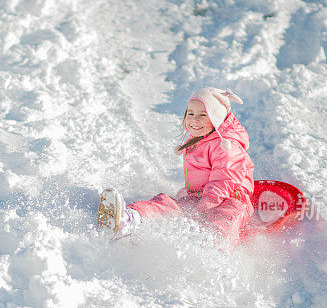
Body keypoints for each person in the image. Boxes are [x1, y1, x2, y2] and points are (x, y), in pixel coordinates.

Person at [97, 87, 255, 244]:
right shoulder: (203, 137)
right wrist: (198, 203)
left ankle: (214, 248)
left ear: (217, 117)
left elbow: (225, 178)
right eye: (191, 114)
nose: (194, 120)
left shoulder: (227, 145)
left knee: (225, 219)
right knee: (167, 204)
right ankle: (129, 218)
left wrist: (206, 205)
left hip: (231, 199)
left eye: (203, 115)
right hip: (200, 198)